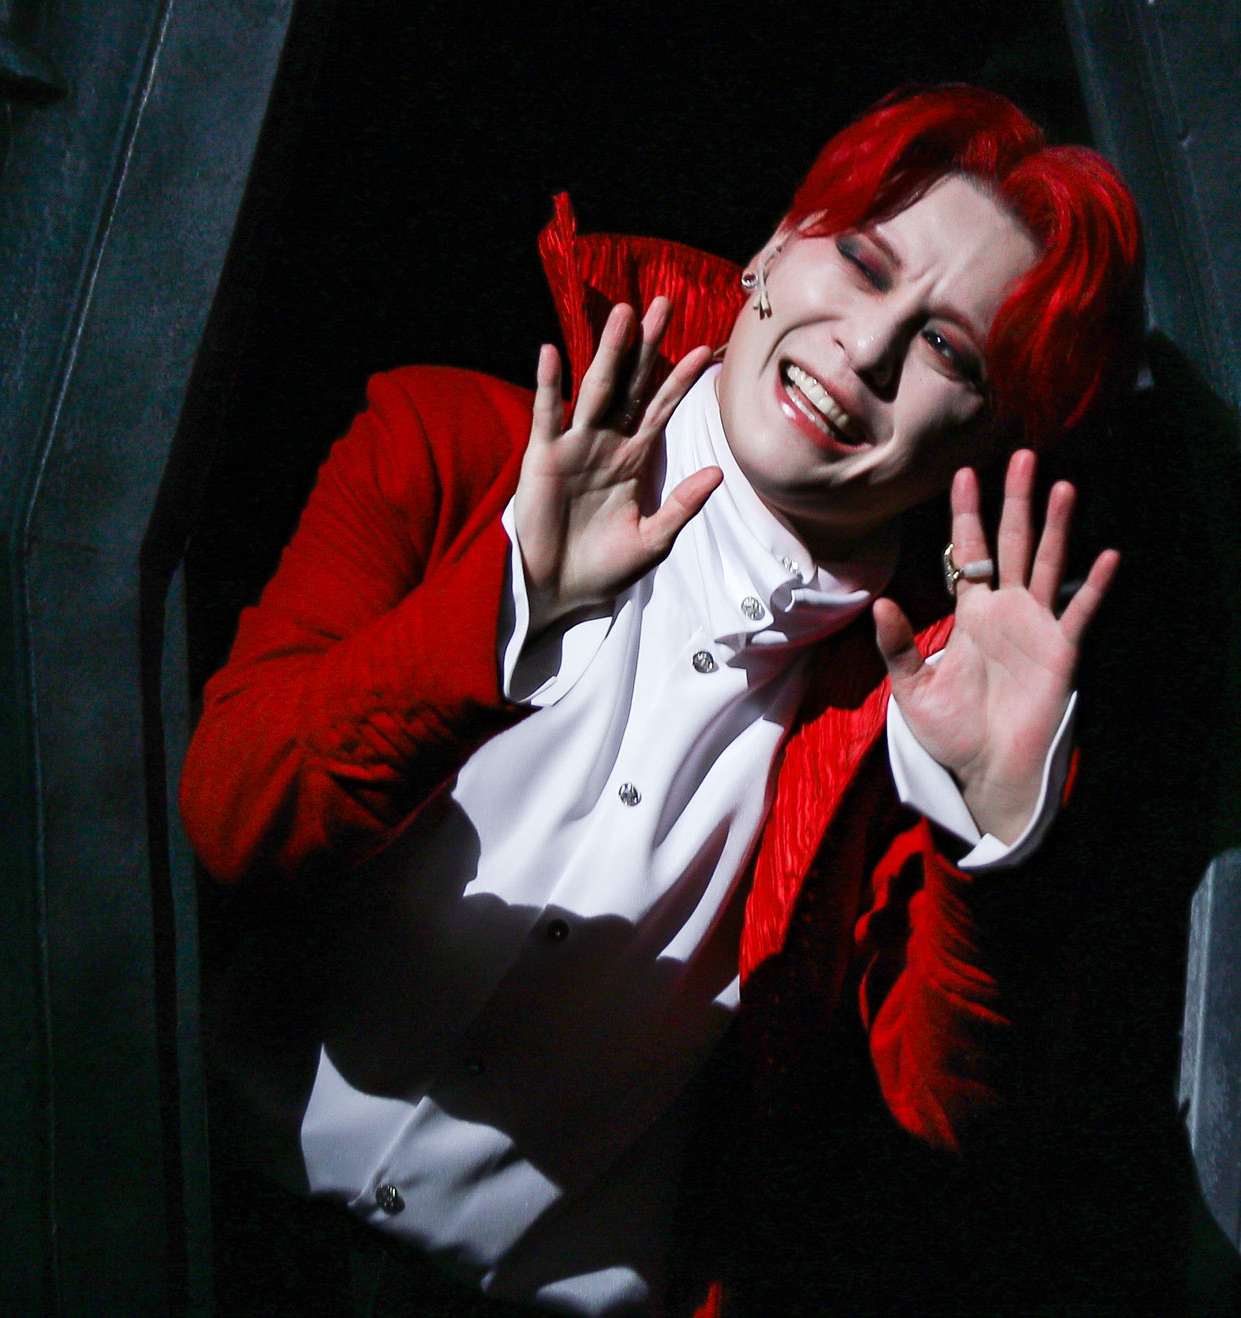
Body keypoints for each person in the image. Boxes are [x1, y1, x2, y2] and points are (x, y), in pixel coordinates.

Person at [182, 85, 1144, 1316]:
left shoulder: (924, 712)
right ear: (770, 252)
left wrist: (994, 843)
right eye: (862, 264)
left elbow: (950, 1118)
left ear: (985, 443)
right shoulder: (442, 445)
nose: (867, 347)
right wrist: (505, 606)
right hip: (202, 1235)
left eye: (948, 348)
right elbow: (232, 815)